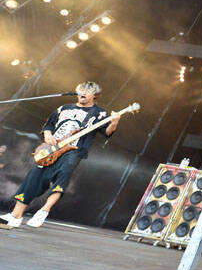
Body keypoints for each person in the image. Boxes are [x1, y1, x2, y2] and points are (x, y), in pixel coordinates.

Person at [0, 82, 120, 228]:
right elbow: (49, 125)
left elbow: (106, 132)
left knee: (62, 176)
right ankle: (15, 216)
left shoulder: (99, 113)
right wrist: (48, 135)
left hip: (73, 150)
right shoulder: (64, 108)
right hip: (52, 149)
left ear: (95, 96)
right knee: (33, 177)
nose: (83, 93)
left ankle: (43, 211)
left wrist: (114, 122)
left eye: (87, 91)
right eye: (81, 90)